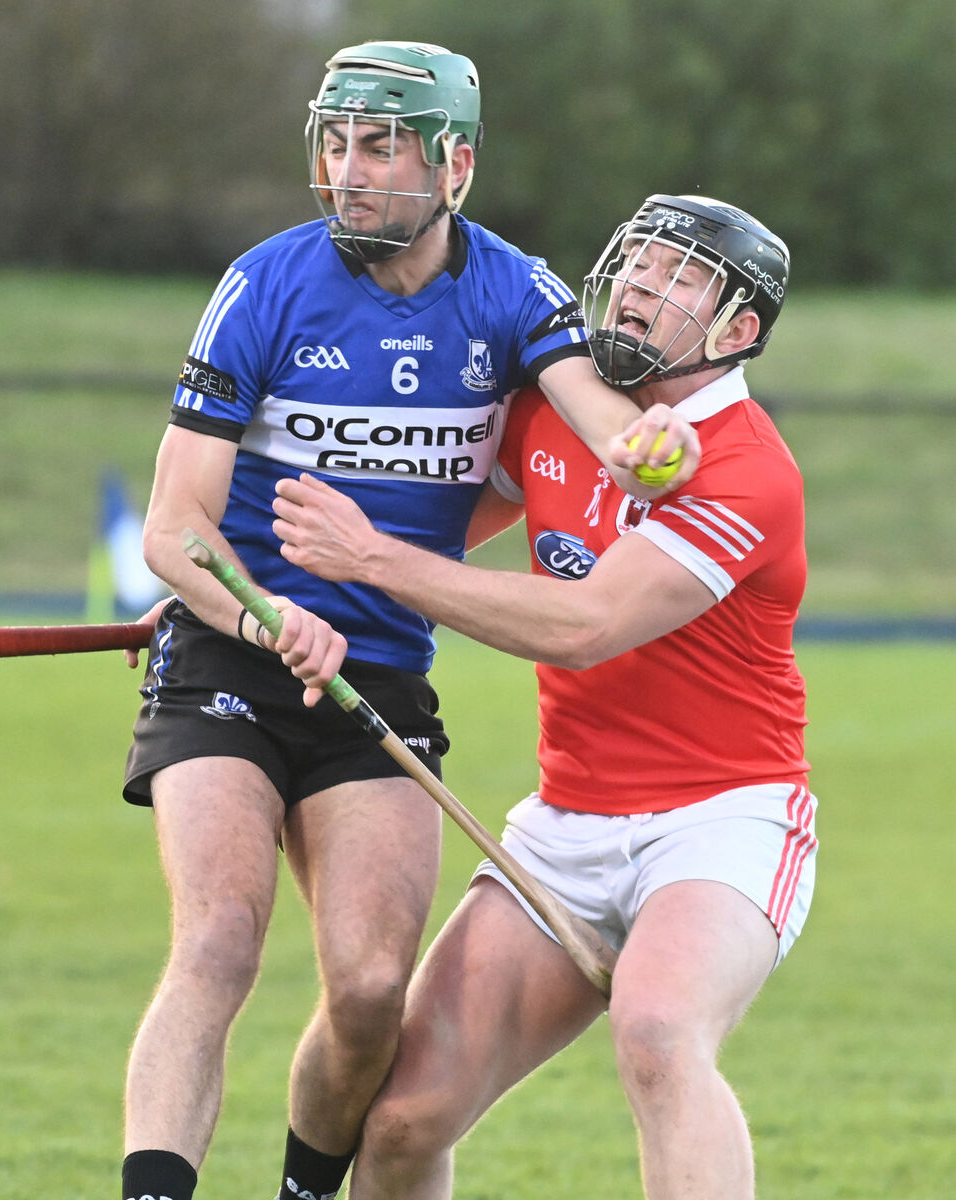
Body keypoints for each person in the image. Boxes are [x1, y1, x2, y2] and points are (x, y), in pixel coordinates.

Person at [118, 40, 699, 1200]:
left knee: (375, 990)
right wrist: (267, 608)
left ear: (455, 166)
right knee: (220, 941)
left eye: (381, 145)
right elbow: (173, 528)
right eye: (336, 143)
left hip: (375, 678)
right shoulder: (264, 285)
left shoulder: (509, 290)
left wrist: (646, 448)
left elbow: (591, 412)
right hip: (227, 658)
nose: (351, 171)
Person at [270, 193, 817, 1199]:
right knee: (402, 1121)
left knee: (658, 1031)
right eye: (642, 261)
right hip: (566, 828)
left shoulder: (747, 473)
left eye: (684, 277)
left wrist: (371, 556)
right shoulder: (546, 413)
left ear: (740, 332)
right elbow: (431, 538)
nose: (648, 285)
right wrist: (257, 606)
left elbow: (586, 623)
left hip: (723, 820)